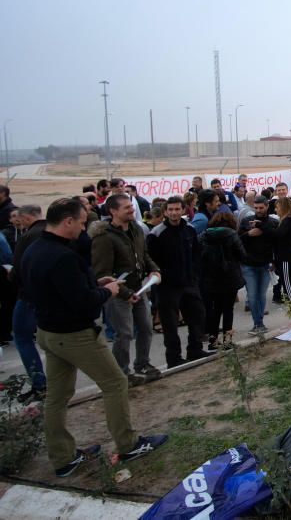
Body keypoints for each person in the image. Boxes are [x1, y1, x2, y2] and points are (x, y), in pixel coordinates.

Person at [20, 198, 167, 477]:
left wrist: (93, 283)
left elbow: (50, 287)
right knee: (115, 382)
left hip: (48, 332)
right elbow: (83, 302)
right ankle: (128, 444)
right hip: (74, 334)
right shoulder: (62, 256)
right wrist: (108, 292)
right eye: (81, 221)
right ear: (67, 221)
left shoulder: (35, 247)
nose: (83, 227)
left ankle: (62, 458)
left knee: (57, 396)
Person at [90, 194, 162, 384]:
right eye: (126, 208)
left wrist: (154, 270)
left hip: (140, 288)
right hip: (119, 295)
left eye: (131, 206)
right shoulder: (104, 237)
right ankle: (121, 373)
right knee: (125, 333)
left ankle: (143, 364)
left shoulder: (136, 229)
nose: (132, 210)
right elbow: (101, 273)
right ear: (113, 211)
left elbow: (143, 255)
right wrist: (124, 293)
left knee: (146, 329)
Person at [147, 196, 210, 368]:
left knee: (197, 316)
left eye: (177, 209)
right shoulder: (156, 233)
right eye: (170, 210)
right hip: (167, 287)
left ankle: (195, 350)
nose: (174, 213)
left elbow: (196, 253)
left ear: (183, 210)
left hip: (189, 284)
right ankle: (174, 359)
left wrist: (195, 275)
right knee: (170, 325)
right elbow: (151, 260)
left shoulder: (189, 229)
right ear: (165, 212)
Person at [10, 204, 47, 403]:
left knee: (23, 338)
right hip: (51, 294)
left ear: (25, 218)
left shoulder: (27, 237)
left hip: (29, 296)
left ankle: (39, 383)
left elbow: (17, 269)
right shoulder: (52, 231)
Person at [199, 211, 246, 350]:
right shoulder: (231, 235)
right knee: (228, 309)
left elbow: (197, 255)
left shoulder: (204, 235)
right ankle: (227, 339)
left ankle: (213, 340)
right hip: (229, 276)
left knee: (215, 309)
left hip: (210, 277)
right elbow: (242, 255)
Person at [239, 196, 276, 334]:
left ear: (267, 206)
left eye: (261, 207)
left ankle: (259, 322)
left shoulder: (272, 222)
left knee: (261, 295)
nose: (259, 210)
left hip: (266, 265)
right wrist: (249, 234)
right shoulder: (246, 221)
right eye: (256, 208)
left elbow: (276, 239)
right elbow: (238, 240)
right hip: (249, 265)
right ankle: (257, 323)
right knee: (253, 296)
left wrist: (274, 261)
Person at [272, 197, 291, 304]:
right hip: (290, 259)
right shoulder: (289, 221)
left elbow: (278, 235)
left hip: (286, 260)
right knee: (290, 288)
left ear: (283, 208)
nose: (276, 210)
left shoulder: (287, 222)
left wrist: (262, 226)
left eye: (277, 207)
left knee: (289, 290)